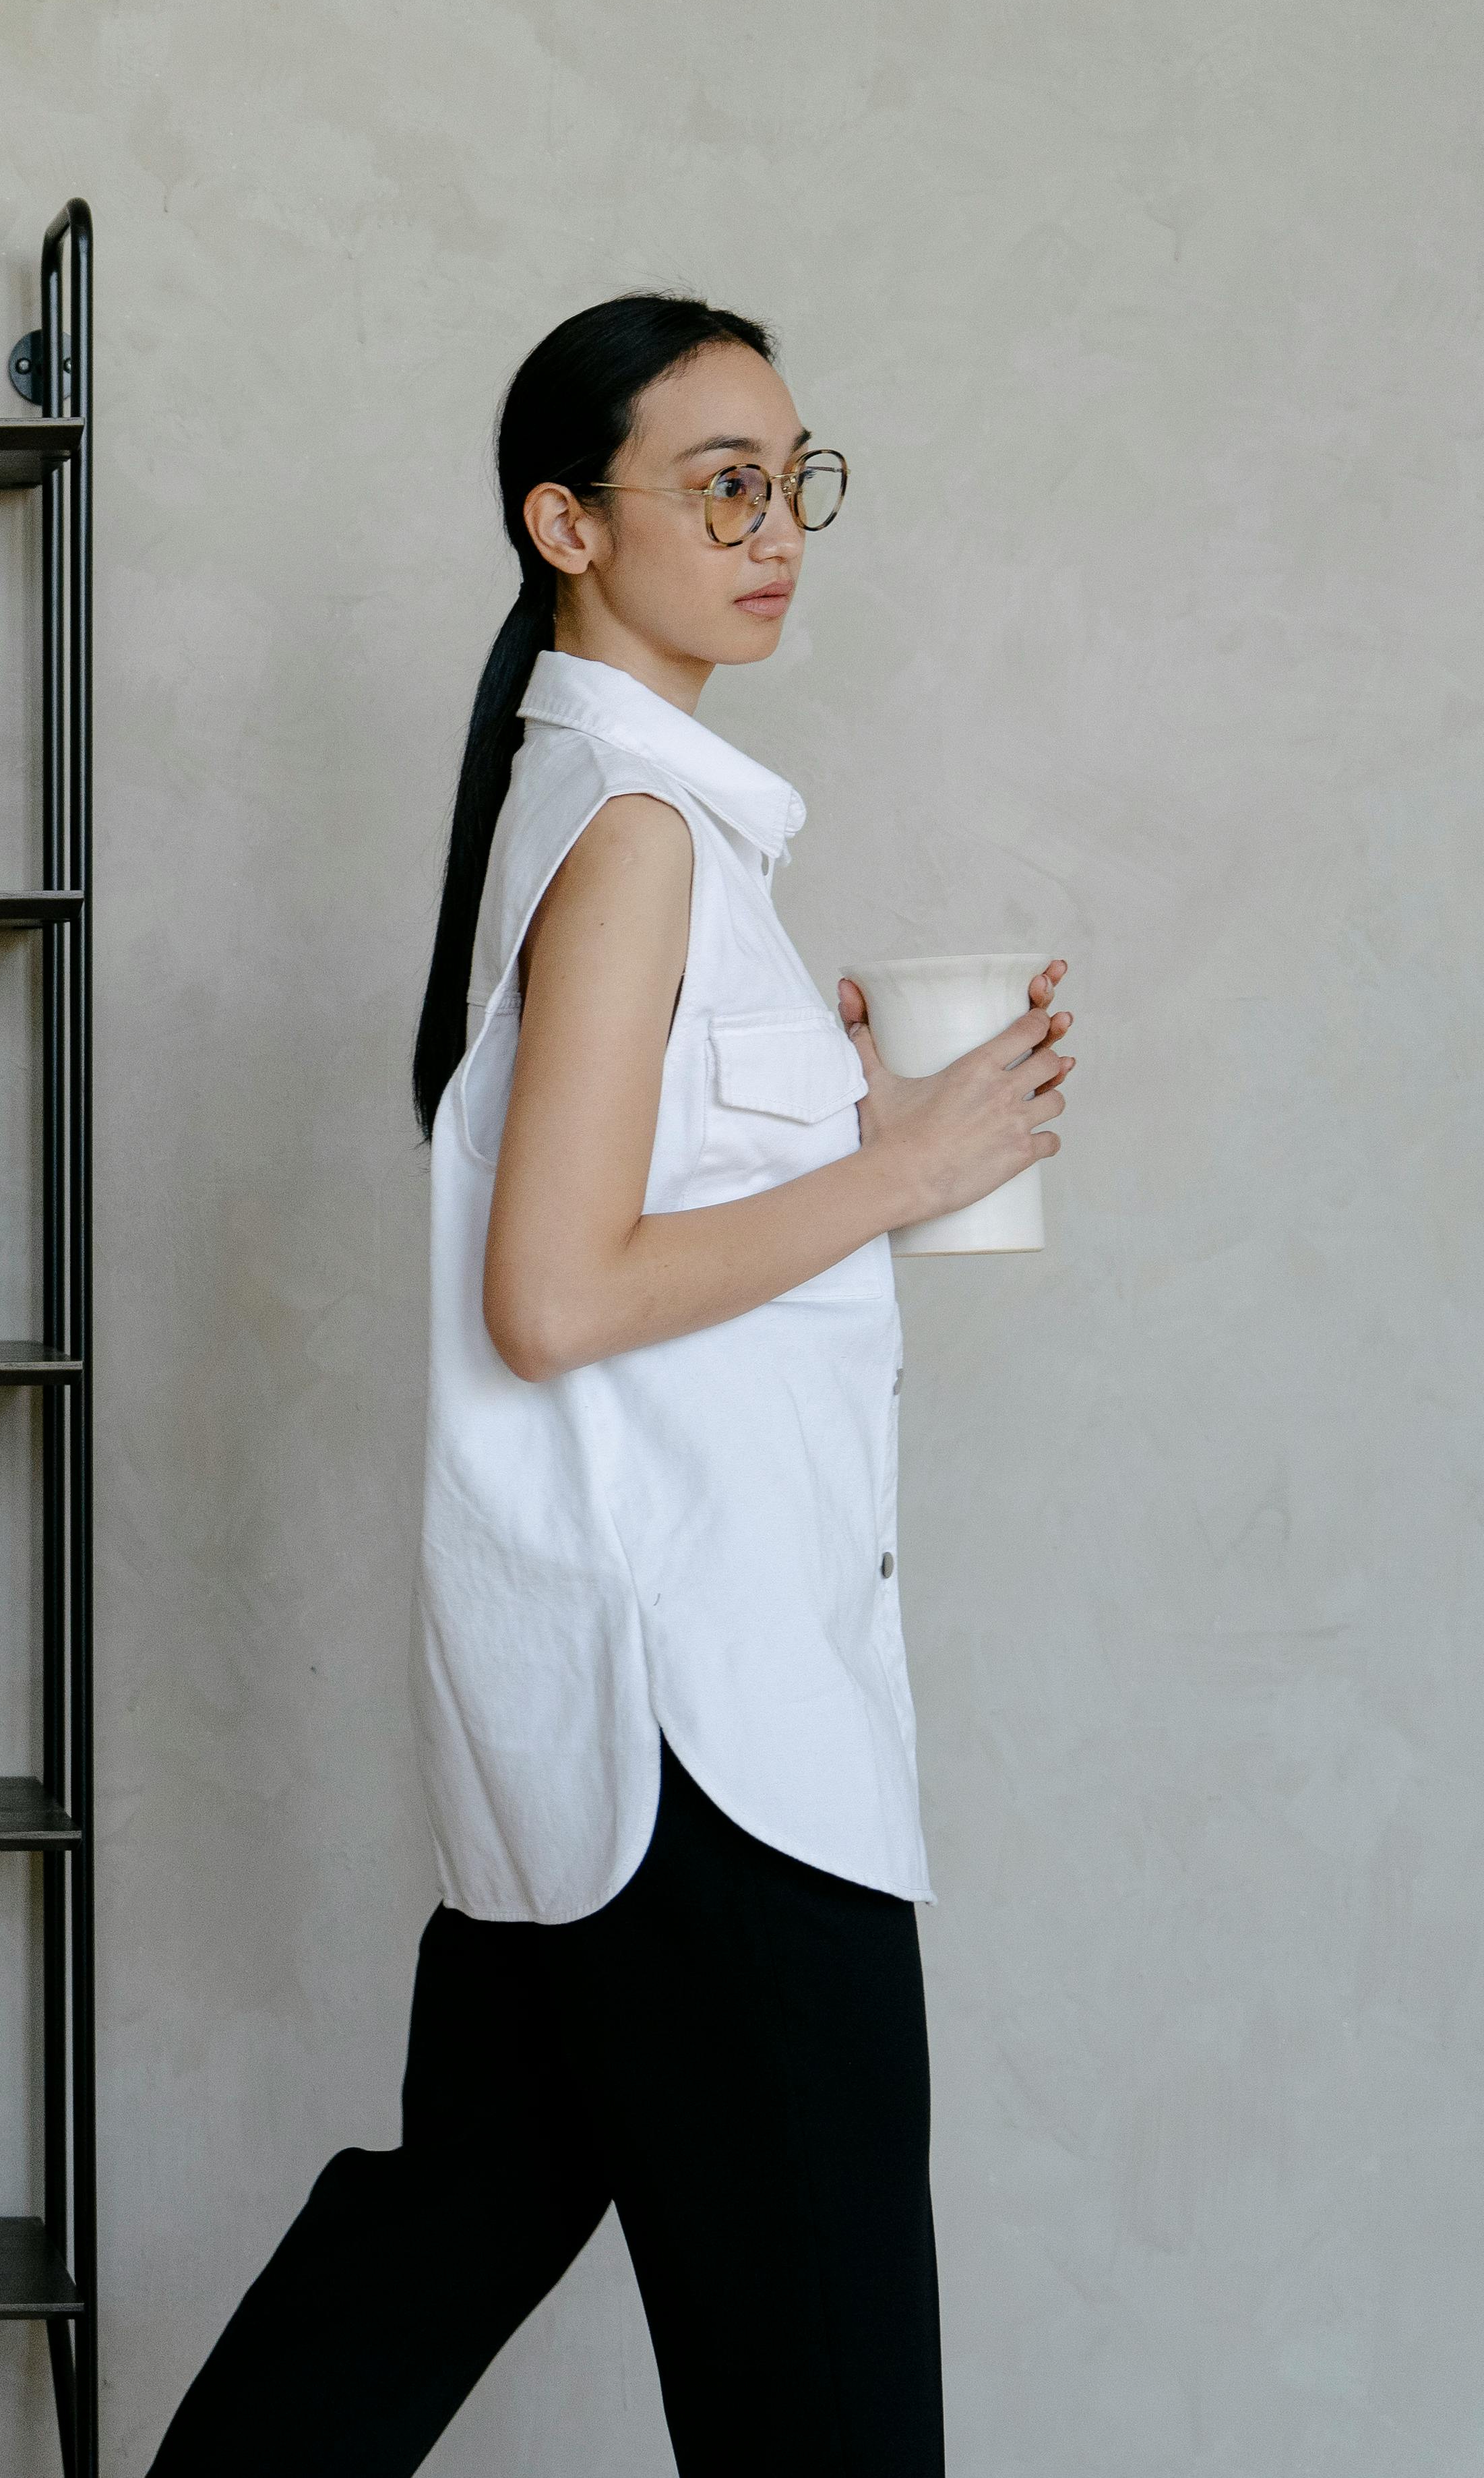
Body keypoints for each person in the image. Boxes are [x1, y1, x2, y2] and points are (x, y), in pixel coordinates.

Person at [146, 299, 1077, 2477]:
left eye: (792, 480)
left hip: (611, 1745)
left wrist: (855, 1141)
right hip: (710, 1762)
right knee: (828, 2417)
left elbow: (619, 1233)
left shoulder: (620, 813)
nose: (775, 532)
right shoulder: (631, 828)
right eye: (717, 485)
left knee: (409, 2277)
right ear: (562, 524)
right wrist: (891, 1170)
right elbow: (552, 1296)